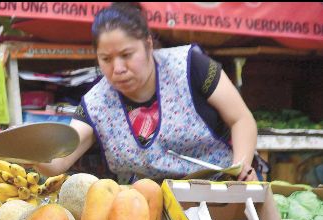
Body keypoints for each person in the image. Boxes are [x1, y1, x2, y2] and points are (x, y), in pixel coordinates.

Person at [36, 3, 260, 183]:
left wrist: (241, 168)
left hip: (220, 193)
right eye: (106, 59)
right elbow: (59, 163)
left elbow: (241, 119)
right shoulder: (96, 103)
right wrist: (25, 149)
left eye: (126, 54)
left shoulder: (191, 65)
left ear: (148, 45)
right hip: (146, 210)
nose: (118, 68)